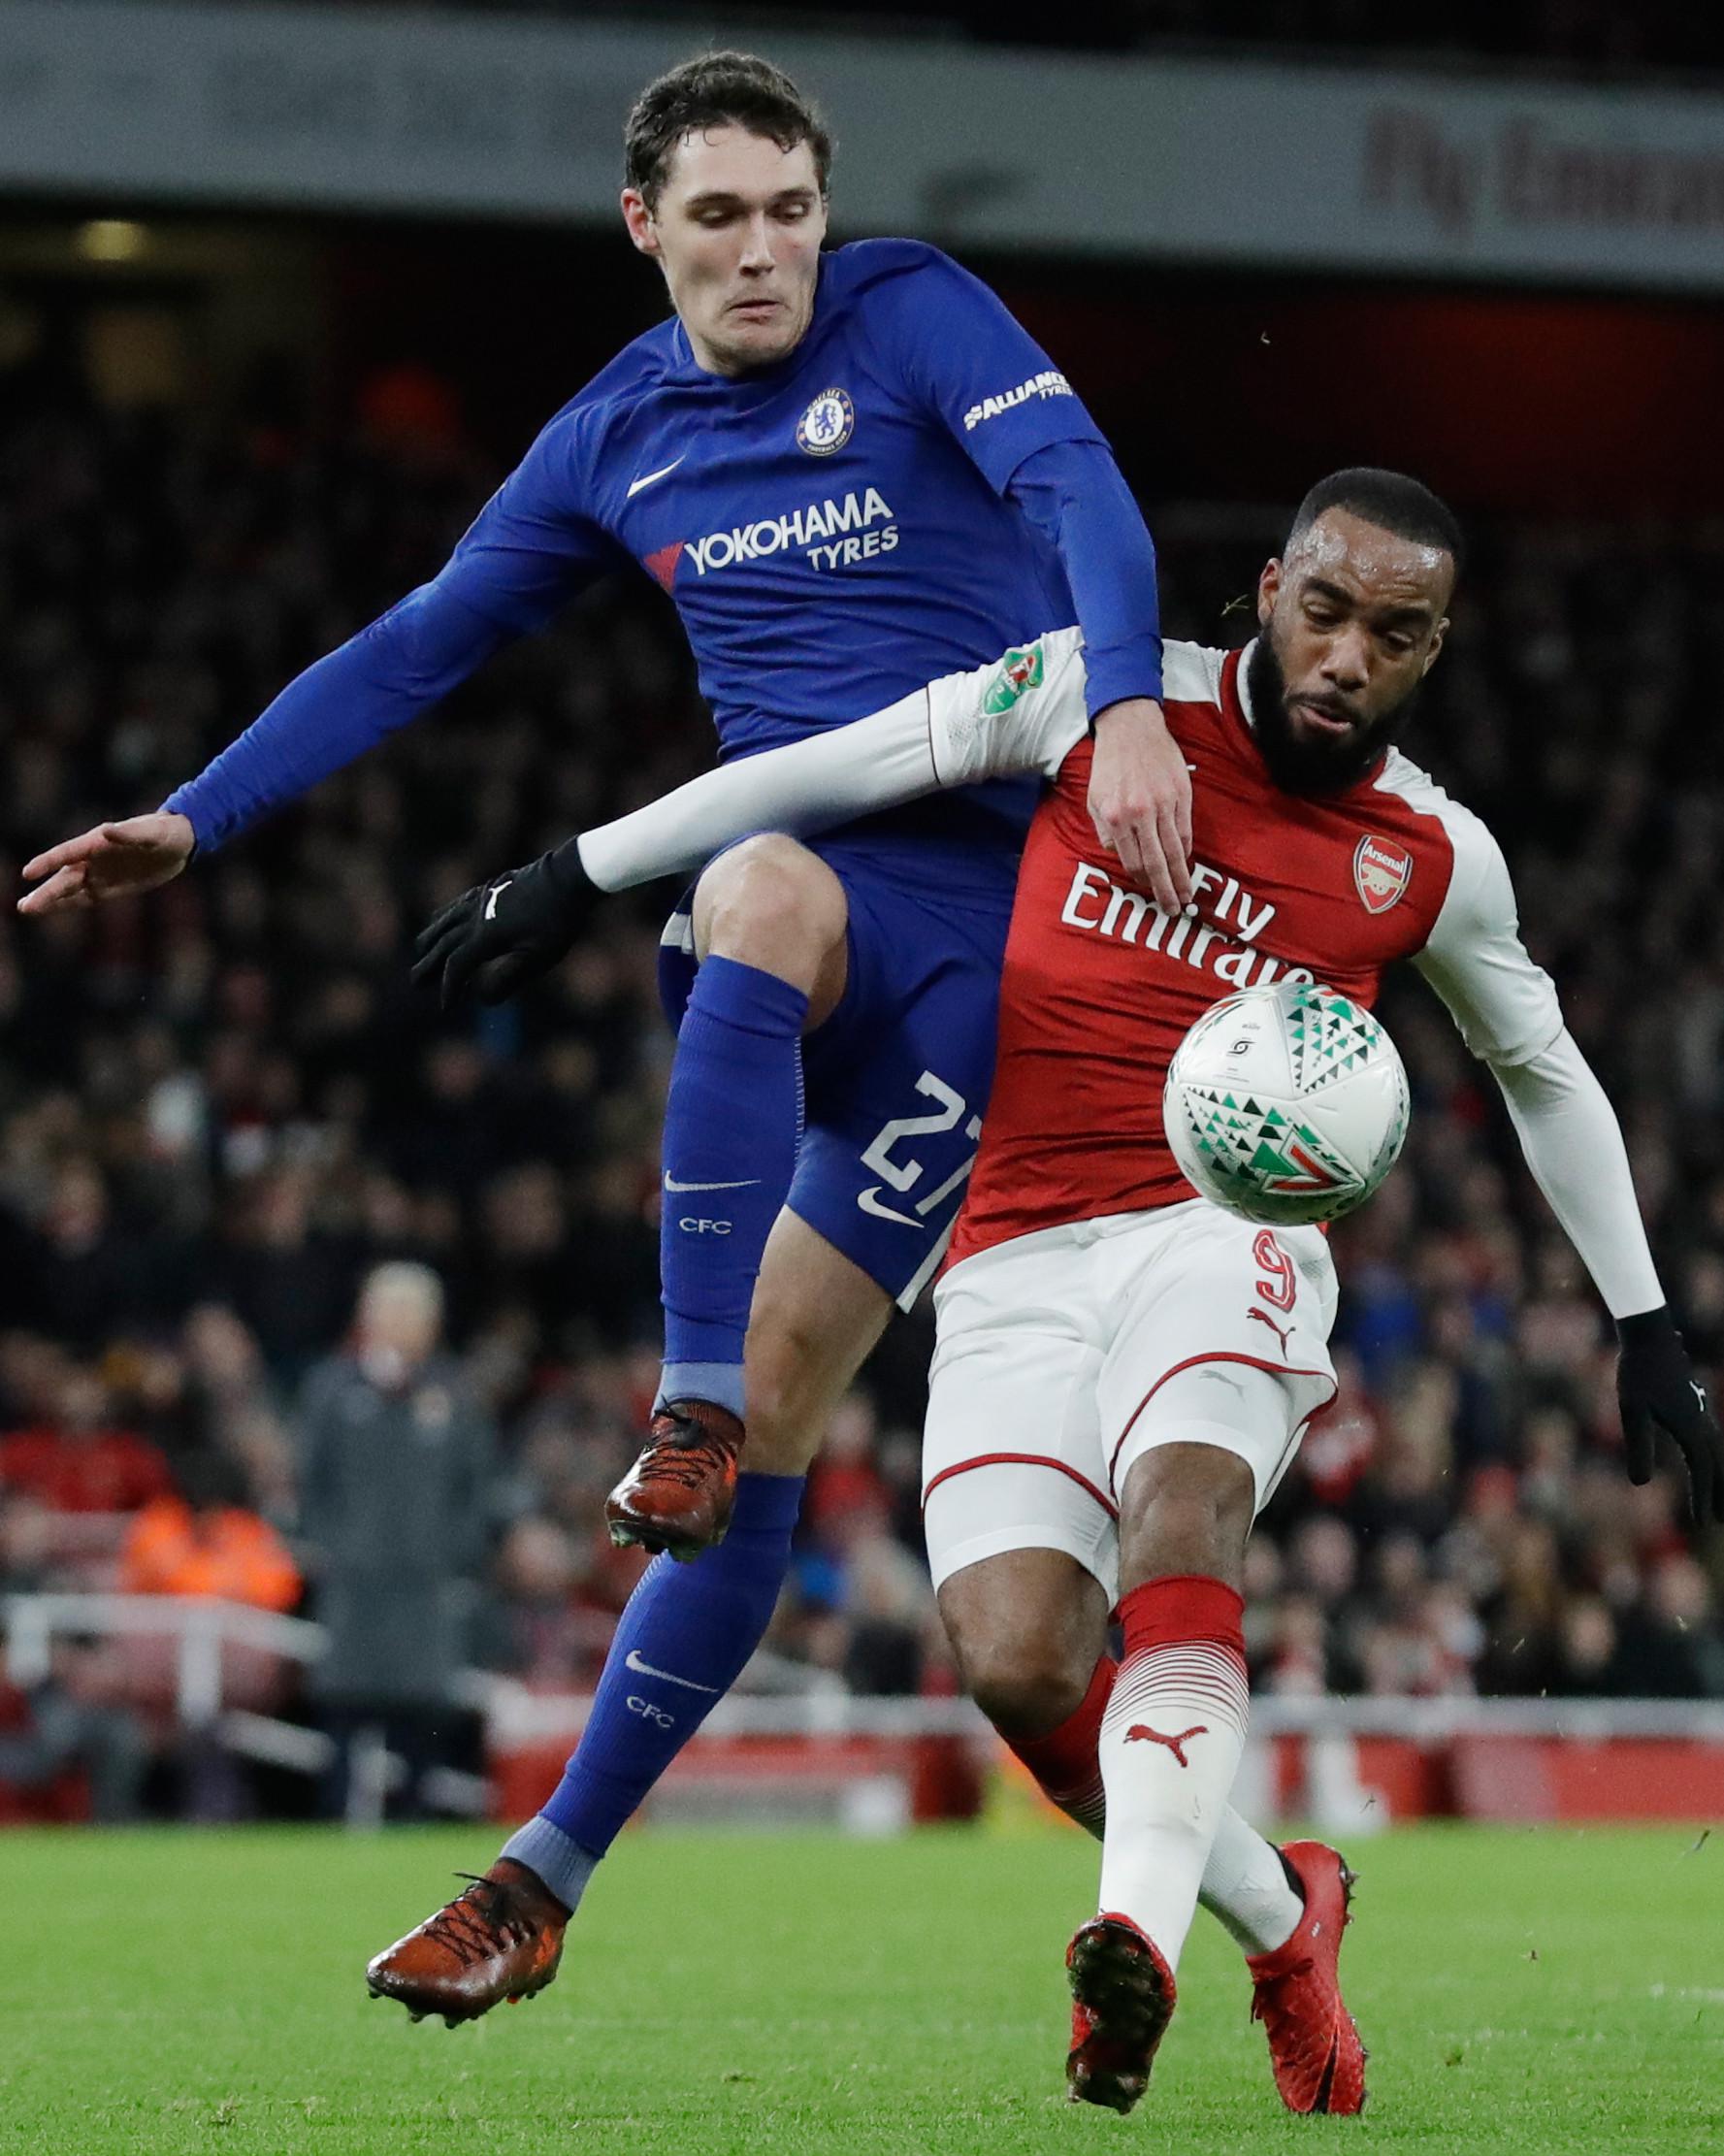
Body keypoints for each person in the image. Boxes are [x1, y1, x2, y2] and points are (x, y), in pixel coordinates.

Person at [17, 53, 1187, 2008]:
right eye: (718, 216)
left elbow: (1078, 489)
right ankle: (681, 1435)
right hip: (813, 928)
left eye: (789, 210)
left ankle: (560, 1835)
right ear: (643, 226)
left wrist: (1130, 697)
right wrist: (197, 818)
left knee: (785, 1393)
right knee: (757, 887)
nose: (763, 250)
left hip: (1002, 943)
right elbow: (421, 642)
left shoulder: (912, 310)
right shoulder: (613, 436)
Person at [410, 468, 1723, 2108]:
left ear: (1434, 648)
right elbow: (832, 765)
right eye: (1323, 611)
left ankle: (1132, 1941)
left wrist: (1645, 1321)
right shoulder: (1101, 702)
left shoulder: (1433, 855)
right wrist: (580, 869)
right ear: (1269, 592)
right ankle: (1282, 1914)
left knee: (1183, 1514)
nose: (1344, 658)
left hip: (1226, 1228)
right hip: (1016, 1243)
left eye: (1393, 635)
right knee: (1020, 1660)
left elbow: (1542, 1067)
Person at [297, 1263, 494, 1820]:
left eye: (415, 1311)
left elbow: (477, 1489)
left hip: (426, 1591)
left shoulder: (456, 1396)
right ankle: (332, 1827)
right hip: (353, 1588)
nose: (404, 1323)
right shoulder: (331, 1390)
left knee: (421, 1722)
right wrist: (334, 1548)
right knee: (343, 1715)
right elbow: (309, 1483)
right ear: (367, 1317)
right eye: (392, 1309)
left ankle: (415, 1830)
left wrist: (450, 1553)